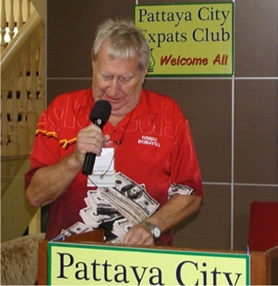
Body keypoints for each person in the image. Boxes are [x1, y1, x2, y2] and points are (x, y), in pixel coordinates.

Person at [25, 19, 203, 246]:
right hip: (70, 264)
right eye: (106, 76)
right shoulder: (61, 111)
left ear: (143, 72)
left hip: (141, 268)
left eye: (125, 79)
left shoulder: (168, 114)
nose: (112, 89)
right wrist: (74, 160)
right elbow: (35, 196)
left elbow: (190, 194)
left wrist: (153, 226)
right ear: (93, 63)